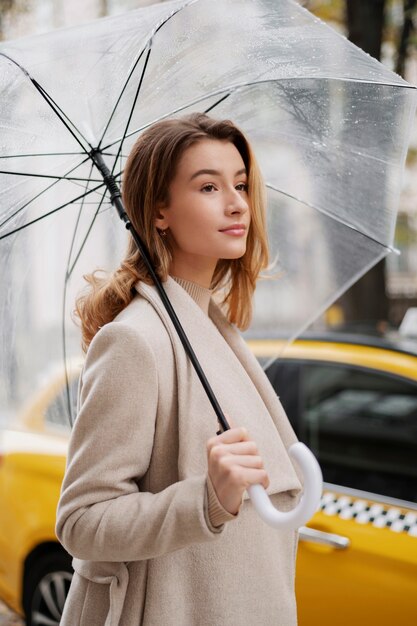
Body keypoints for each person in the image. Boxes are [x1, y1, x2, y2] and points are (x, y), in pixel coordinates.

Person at [56, 113, 302, 626]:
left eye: (239, 183)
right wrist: (207, 501)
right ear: (159, 211)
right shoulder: (134, 341)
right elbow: (81, 521)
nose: (237, 203)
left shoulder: (212, 327)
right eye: (208, 186)